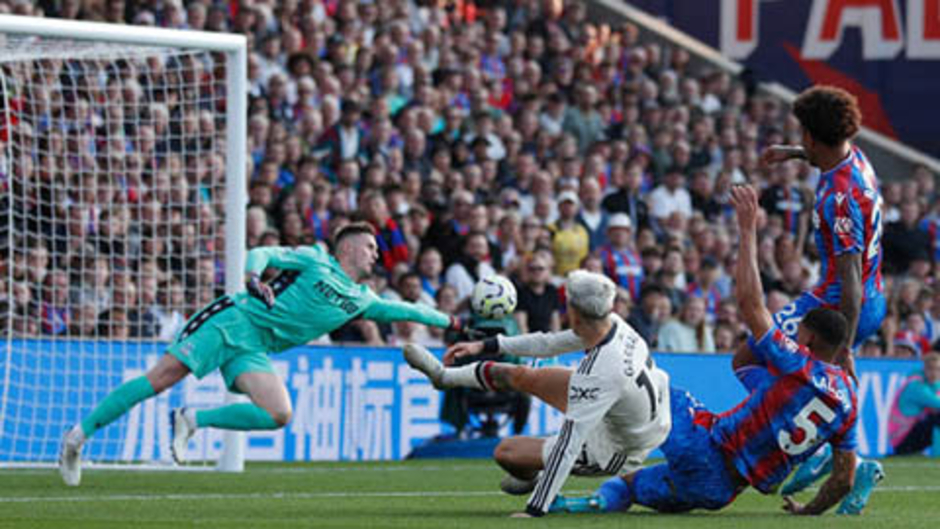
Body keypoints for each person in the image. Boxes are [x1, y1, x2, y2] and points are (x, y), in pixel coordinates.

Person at [58, 222, 462, 486]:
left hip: (255, 347)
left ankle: (191, 419)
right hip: (232, 321)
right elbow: (263, 253)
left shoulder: (363, 300)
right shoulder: (316, 260)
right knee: (161, 378)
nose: (377, 254)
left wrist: (453, 323)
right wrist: (253, 276)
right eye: (371, 247)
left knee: (279, 413)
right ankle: (78, 437)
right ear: (350, 248)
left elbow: (412, 311)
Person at [551, 185, 862, 516]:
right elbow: (844, 479)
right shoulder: (849, 402)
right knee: (629, 486)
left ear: (811, 338)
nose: (795, 335)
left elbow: (751, 305)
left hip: (706, 446)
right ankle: (582, 504)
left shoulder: (796, 363)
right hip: (718, 490)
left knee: (647, 382)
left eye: (800, 332)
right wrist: (808, 512)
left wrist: (747, 229)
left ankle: (560, 448)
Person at [402, 270, 671, 518]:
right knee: (521, 375)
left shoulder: (600, 372)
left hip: (619, 447)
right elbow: (549, 342)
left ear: (575, 313)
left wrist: (535, 508)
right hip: (633, 413)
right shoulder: (610, 323)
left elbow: (569, 444)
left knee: (506, 451)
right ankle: (444, 377)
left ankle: (533, 477)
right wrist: (485, 345)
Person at [738, 86, 886, 512]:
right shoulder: (856, 159)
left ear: (813, 137)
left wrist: (844, 347)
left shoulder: (837, 198)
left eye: (803, 134)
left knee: (747, 360)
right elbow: (828, 146)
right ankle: (855, 471)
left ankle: (819, 451)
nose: (801, 139)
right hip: (871, 296)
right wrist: (792, 152)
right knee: (806, 384)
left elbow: (850, 279)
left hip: (838, 303)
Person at [888, 352, 940, 455]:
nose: (934, 373)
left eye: (938, 369)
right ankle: (937, 456)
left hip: (910, 434)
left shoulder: (931, 384)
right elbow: (936, 403)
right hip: (902, 442)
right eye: (931, 368)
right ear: (924, 369)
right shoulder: (915, 386)